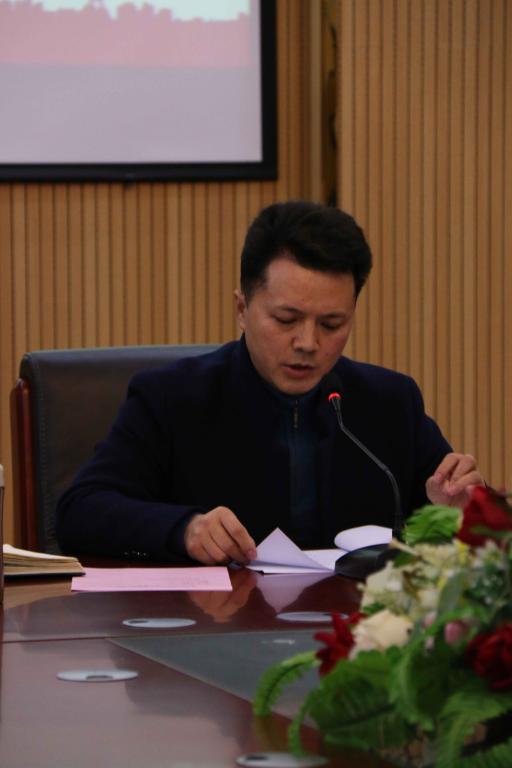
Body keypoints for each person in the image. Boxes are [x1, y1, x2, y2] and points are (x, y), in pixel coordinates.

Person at [56, 201, 483, 565]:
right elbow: (80, 511)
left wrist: (456, 511)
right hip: (215, 624)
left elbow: (459, 523)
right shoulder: (172, 398)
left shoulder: (389, 402)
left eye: (332, 324)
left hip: (357, 625)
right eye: (286, 319)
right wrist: (185, 529)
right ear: (242, 309)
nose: (308, 343)